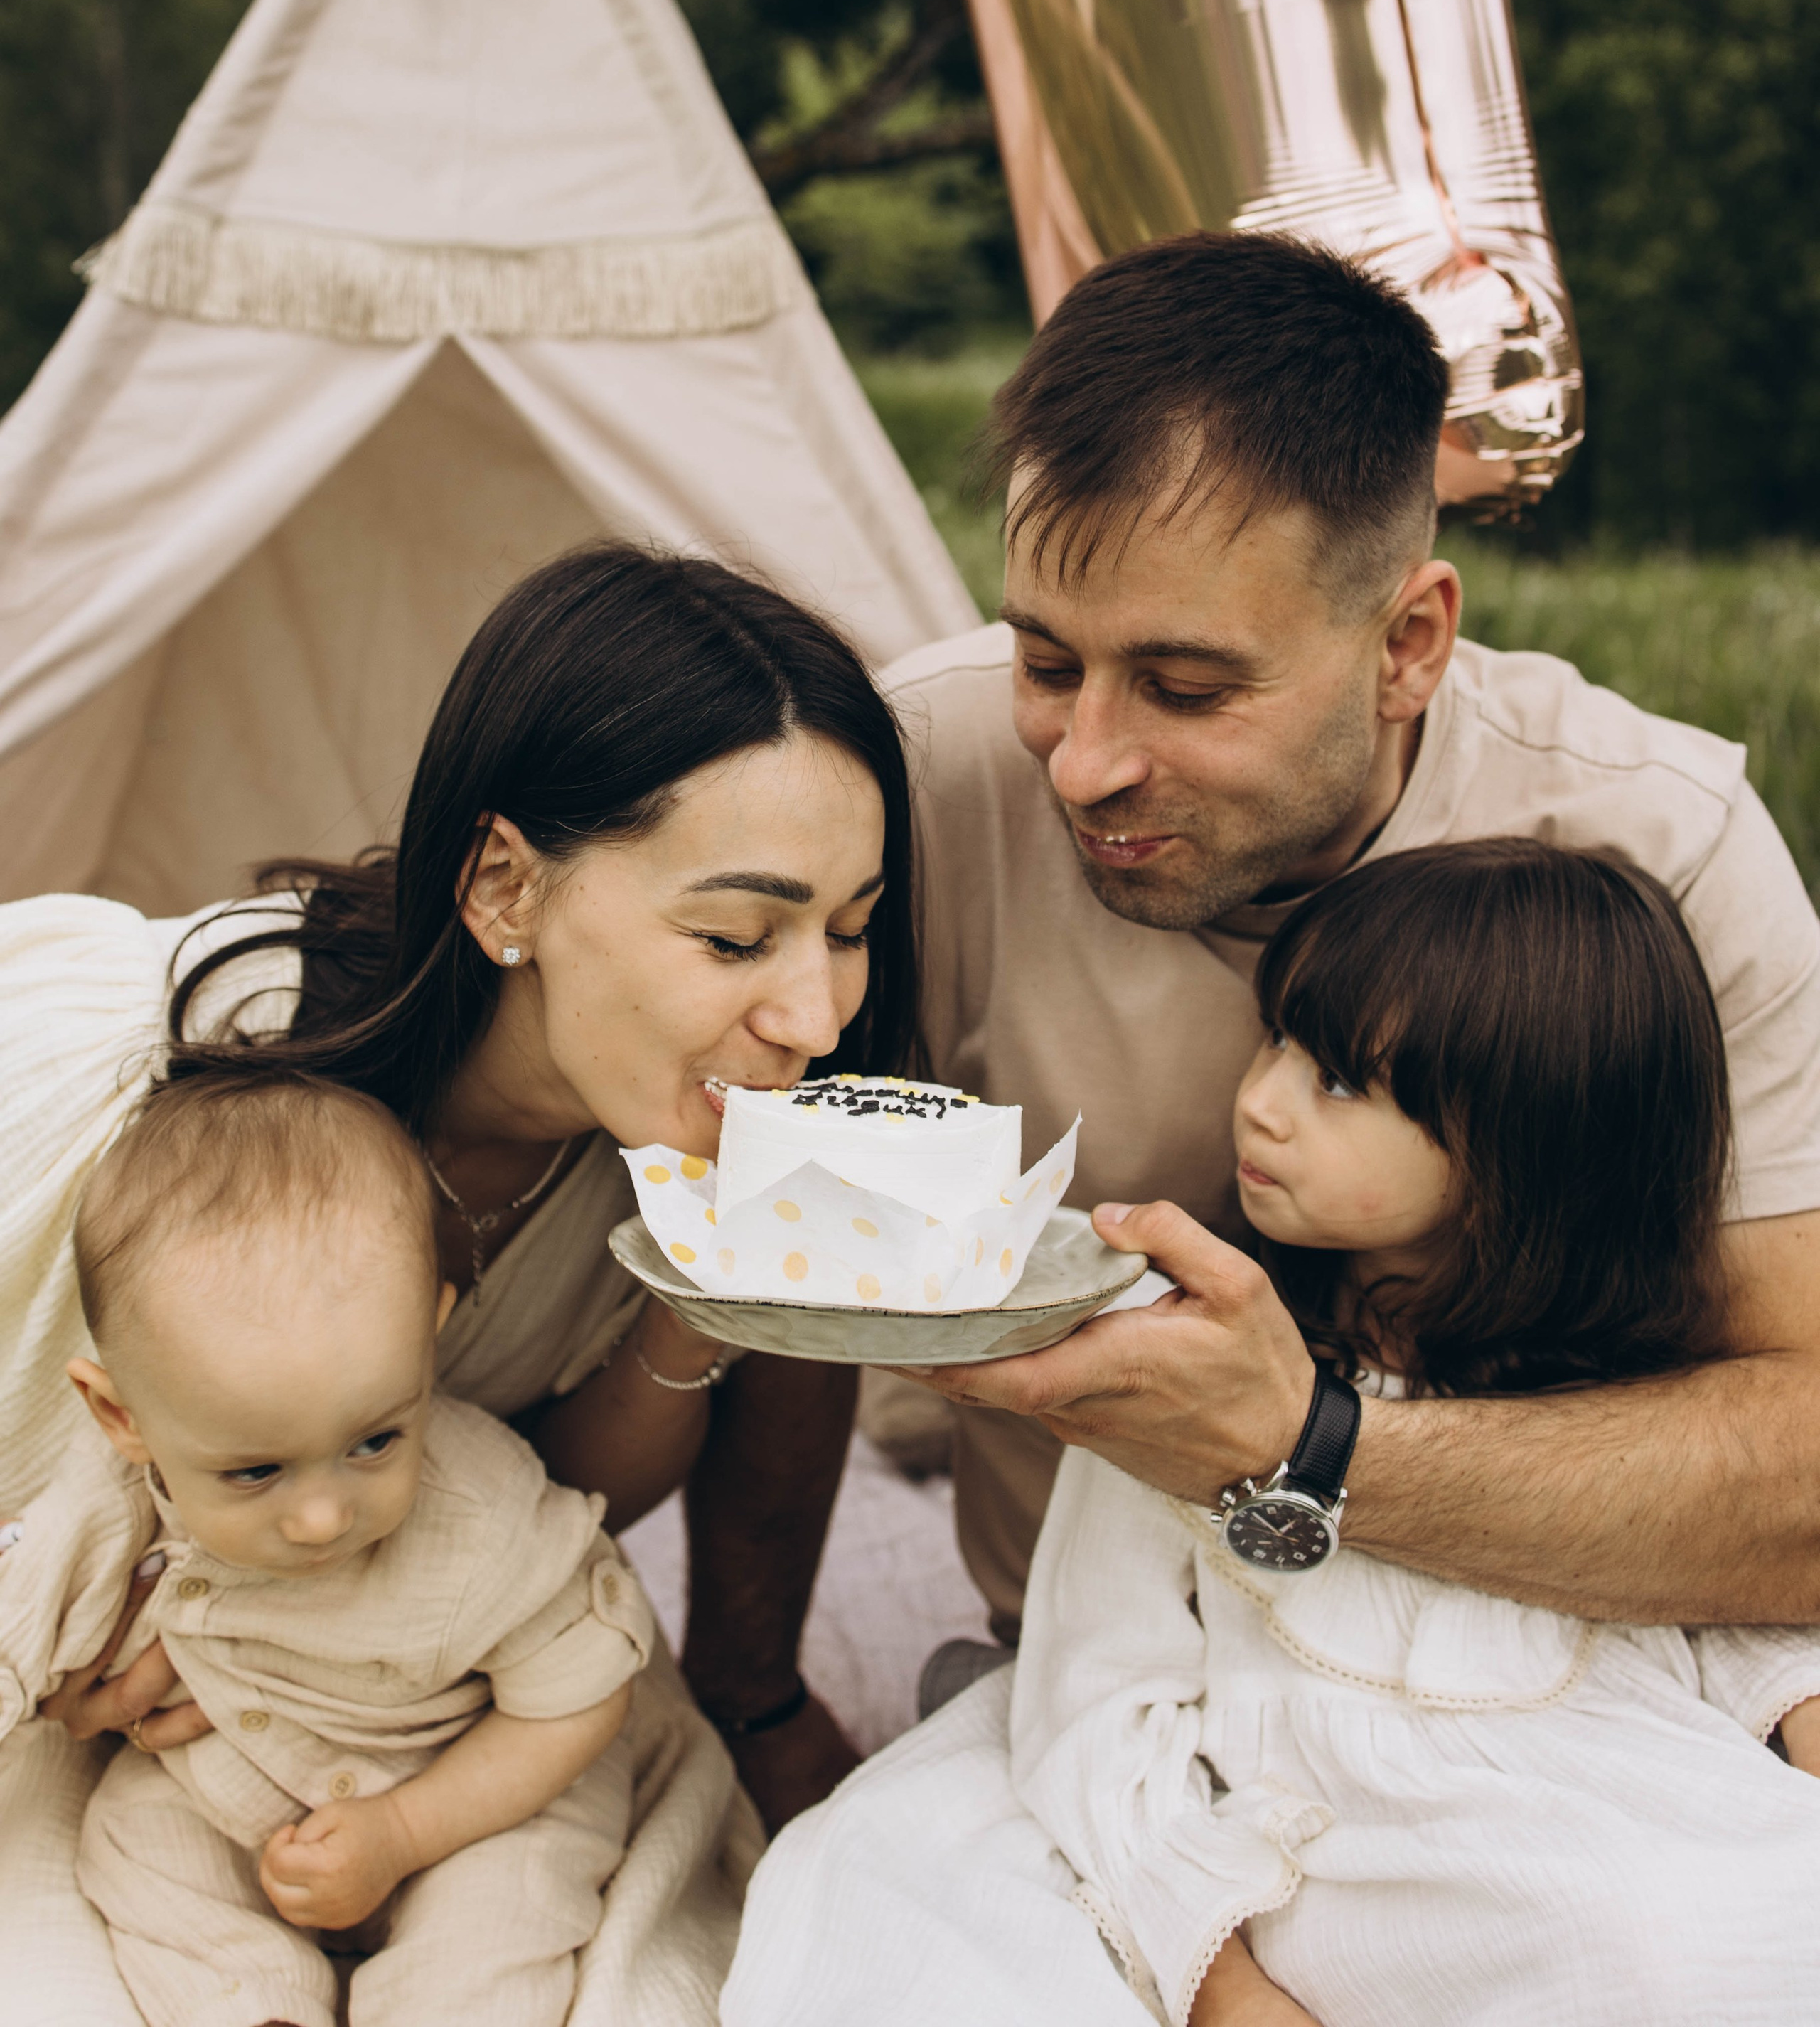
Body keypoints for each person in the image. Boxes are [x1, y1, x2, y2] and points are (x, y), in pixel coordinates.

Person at [0, 540, 916, 2015]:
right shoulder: (159, 1067)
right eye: (735, 936)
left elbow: (531, 1515)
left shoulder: (657, 1143)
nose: (812, 1011)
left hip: (410, 1691)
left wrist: (702, 1300)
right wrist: (106, 1626)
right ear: (506, 886)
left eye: (850, 929)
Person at [882, 232, 1820, 1638]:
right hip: (1084, 1681)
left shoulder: (1656, 838)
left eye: (1186, 690)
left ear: (1407, 646)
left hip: (1562, 1670)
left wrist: (1306, 1443)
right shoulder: (901, 774)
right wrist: (759, 1691)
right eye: (1043, 662)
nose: (1078, 763)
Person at [723, 841, 1820, 2027]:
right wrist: (1223, 1982)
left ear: (1529, 1146)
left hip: (1596, 1795)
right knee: (878, 1903)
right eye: (1278, 1040)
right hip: (1306, 1826)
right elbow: (1098, 1681)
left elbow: (1732, 1626)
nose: (1262, 1098)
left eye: (1339, 1081)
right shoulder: (1190, 1357)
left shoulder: (1622, 1393)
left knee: (1708, 1934)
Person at [7, 1073, 655, 2027]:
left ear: (427, 1343)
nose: (322, 1518)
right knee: (140, 1854)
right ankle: (252, 2006)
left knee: (508, 1911)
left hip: (462, 1785)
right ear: (122, 1415)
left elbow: (581, 1697)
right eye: (256, 1472)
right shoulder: (104, 1502)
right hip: (226, 1786)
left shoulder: (484, 1510)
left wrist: (403, 1832)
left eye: (374, 1442)